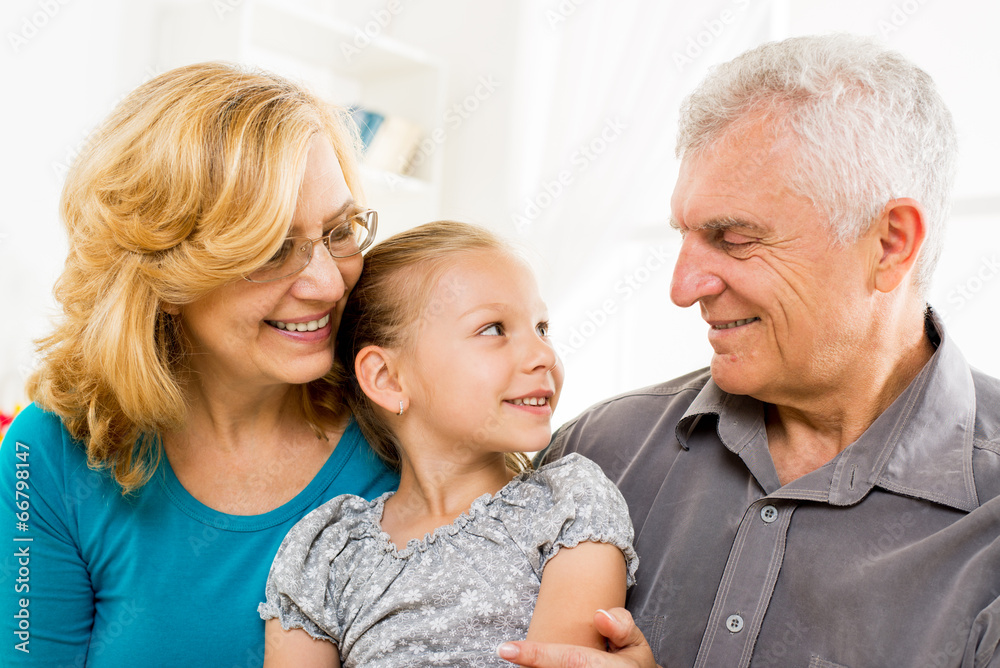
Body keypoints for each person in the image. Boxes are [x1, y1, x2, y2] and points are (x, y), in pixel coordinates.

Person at [497, 34, 1000, 668]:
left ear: (891, 243)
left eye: (734, 239)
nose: (683, 289)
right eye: (683, 235)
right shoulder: (596, 453)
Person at [0, 62, 399, 666]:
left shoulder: (406, 419)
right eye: (270, 249)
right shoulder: (51, 455)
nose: (324, 283)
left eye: (339, 230)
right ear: (159, 273)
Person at [259, 221, 638, 666]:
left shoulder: (568, 508)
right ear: (387, 378)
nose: (544, 355)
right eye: (494, 329)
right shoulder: (328, 550)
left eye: (541, 327)